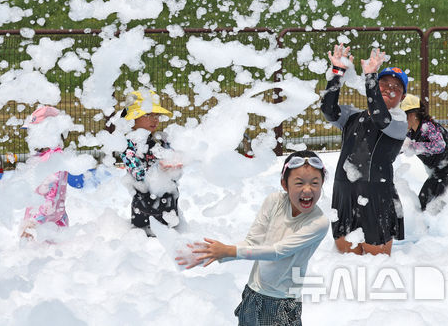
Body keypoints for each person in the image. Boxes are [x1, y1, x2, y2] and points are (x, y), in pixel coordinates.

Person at [178, 150, 329, 326]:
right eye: (299, 183)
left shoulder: (319, 222)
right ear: (284, 184)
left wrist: (228, 250)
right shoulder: (274, 201)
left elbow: (278, 251)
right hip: (253, 293)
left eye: (315, 183)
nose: (307, 189)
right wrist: (214, 253)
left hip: (283, 301)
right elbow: (252, 242)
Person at [322, 45, 408, 256]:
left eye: (396, 87)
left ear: (402, 98)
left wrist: (371, 77)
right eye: (384, 84)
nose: (389, 89)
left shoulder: (399, 122)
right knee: (345, 261)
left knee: (375, 264)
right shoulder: (352, 117)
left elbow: (380, 118)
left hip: (377, 195)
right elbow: (328, 110)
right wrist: (336, 73)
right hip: (344, 192)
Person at [119, 89, 181, 235]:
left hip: (167, 195)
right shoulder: (129, 143)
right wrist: (157, 171)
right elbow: (136, 172)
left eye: (157, 115)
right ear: (132, 119)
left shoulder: (160, 139)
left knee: (170, 230)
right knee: (142, 232)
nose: (155, 119)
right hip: (143, 198)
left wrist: (173, 166)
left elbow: (171, 158)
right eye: (148, 115)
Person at [400, 94, 448, 210]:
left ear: (413, 114)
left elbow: (440, 145)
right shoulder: (412, 133)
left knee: (441, 208)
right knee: (422, 204)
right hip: (437, 173)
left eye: (404, 115)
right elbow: (402, 147)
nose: (402, 120)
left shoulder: (427, 126)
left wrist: (414, 146)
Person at [20, 106, 70, 239]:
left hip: (49, 226)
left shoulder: (55, 158)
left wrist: (34, 222)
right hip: (37, 223)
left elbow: (54, 198)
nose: (29, 136)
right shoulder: (40, 155)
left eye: (33, 131)